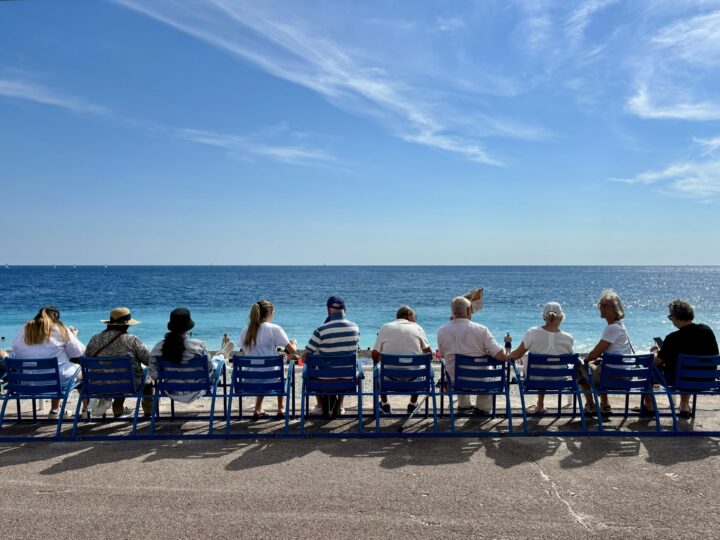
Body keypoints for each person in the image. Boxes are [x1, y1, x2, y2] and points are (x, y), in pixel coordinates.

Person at [648, 299, 719, 418]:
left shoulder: (673, 338)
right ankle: (684, 406)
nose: (671, 320)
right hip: (707, 381)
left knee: (650, 368)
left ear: (676, 317)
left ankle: (649, 406)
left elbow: (656, 361)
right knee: (686, 368)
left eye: (671, 317)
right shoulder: (707, 331)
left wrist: (655, 352)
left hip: (680, 380)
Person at [11, 306, 85, 418]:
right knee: (80, 371)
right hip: (57, 380)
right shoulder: (60, 328)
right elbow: (78, 352)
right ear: (56, 318)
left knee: (54, 370)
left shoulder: (26, 327)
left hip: (28, 381)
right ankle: (85, 410)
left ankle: (55, 410)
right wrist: (73, 336)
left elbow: (16, 349)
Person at [437, 296, 506, 414]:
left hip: (455, 382)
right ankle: (482, 408)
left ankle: (463, 405)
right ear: (469, 310)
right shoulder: (481, 330)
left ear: (452, 312)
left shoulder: (442, 331)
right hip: (480, 381)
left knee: (455, 366)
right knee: (487, 370)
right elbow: (500, 355)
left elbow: (443, 354)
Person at [84, 307, 152, 418]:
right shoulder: (132, 340)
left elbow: (86, 358)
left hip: (99, 384)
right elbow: (149, 360)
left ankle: (118, 411)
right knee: (148, 379)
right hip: (129, 384)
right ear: (127, 324)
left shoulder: (94, 339)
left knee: (117, 375)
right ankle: (148, 413)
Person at [507, 302, 574, 414]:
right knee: (550, 367)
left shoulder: (532, 332)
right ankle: (540, 405)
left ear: (544, 317)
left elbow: (517, 354)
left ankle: (540, 405)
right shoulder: (568, 338)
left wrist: (505, 356)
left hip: (535, 379)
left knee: (541, 369)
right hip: (559, 381)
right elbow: (571, 358)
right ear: (561, 317)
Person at [149, 308, 223, 403]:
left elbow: (154, 374)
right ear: (188, 327)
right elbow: (209, 368)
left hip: (171, 390)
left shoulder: (158, 347)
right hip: (197, 390)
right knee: (219, 364)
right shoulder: (198, 346)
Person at [237, 300, 297, 418]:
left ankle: (257, 409)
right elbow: (292, 351)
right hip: (271, 381)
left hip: (248, 381)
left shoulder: (245, 330)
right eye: (273, 312)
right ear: (269, 312)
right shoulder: (274, 329)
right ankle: (280, 408)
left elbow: (243, 353)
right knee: (276, 368)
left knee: (262, 367)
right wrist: (294, 342)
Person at [302, 296, 360, 415]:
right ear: (345, 310)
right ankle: (340, 405)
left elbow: (305, 357)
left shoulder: (321, 330)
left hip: (325, 380)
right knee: (344, 365)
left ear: (328, 310)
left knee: (311, 367)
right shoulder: (355, 328)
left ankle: (320, 406)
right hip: (348, 379)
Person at [371, 305, 433, 414]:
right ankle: (412, 405)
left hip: (389, 380)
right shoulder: (417, 328)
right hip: (413, 380)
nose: (415, 319)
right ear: (409, 314)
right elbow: (429, 355)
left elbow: (375, 355)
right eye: (415, 316)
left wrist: (386, 357)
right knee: (419, 369)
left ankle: (385, 405)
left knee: (379, 372)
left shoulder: (385, 327)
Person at [579, 289, 632, 416]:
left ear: (616, 308)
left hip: (613, 376)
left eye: (605, 306)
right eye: (600, 306)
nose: (602, 309)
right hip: (625, 374)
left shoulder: (611, 328)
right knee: (601, 365)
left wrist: (584, 360)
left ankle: (591, 405)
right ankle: (604, 405)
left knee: (579, 367)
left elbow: (594, 354)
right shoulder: (621, 326)